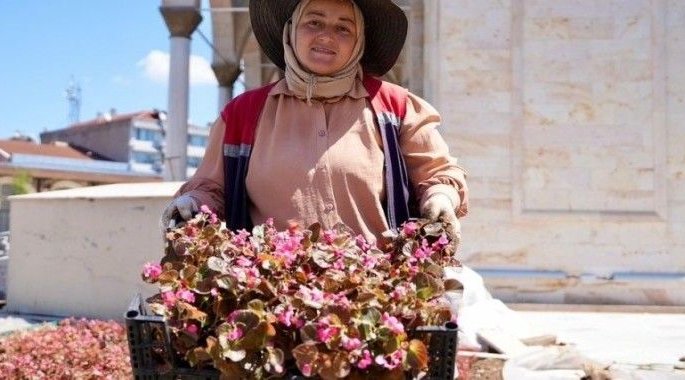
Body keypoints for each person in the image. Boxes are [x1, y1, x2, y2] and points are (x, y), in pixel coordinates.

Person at [161, 0, 468, 244]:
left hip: (378, 297)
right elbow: (211, 188)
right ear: (291, 31)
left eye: (343, 28)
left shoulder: (397, 107)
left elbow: (439, 172)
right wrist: (193, 201)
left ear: (359, 41)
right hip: (269, 302)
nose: (326, 36)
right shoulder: (242, 115)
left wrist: (441, 196)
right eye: (314, 22)